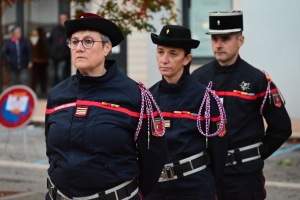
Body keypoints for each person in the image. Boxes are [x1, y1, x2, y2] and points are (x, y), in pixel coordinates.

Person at [45, 13, 167, 200]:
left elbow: (154, 157)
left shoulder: (134, 95)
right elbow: (53, 152)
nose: (79, 48)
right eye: (74, 41)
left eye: (87, 41)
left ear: (107, 48)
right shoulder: (58, 94)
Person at [191, 10, 292, 200]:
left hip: (245, 178)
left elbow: (282, 128)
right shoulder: (198, 79)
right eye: (214, 39)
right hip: (207, 174)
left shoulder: (256, 80)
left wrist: (255, 155)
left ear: (240, 40)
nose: (218, 45)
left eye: (226, 39)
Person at [145, 25, 227, 200]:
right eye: (160, 52)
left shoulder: (204, 98)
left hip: (194, 187)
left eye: (173, 54)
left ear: (186, 58)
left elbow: (218, 152)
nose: (164, 60)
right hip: (156, 190)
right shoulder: (147, 98)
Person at [47, 13, 71, 86]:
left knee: (61, 75)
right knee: (53, 75)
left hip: (63, 58)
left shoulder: (69, 31)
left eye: (64, 19)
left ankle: (62, 92)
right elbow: (48, 42)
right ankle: (54, 92)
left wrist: (65, 54)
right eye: (61, 19)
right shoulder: (55, 30)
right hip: (53, 57)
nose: (62, 21)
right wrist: (50, 52)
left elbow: (72, 45)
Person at [29, 28, 49, 94]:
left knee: (42, 79)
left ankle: (43, 92)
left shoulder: (44, 41)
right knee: (36, 78)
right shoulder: (34, 41)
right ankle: (34, 92)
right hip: (36, 62)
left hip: (43, 62)